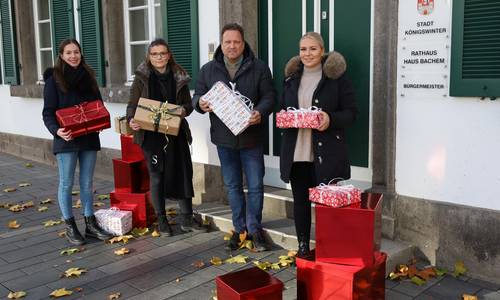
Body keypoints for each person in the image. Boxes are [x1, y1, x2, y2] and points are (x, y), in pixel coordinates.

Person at [193, 23, 275, 252]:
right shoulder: (208, 69)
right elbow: (197, 95)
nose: (232, 46)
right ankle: (239, 230)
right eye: (227, 42)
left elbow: (270, 96)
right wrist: (199, 103)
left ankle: (255, 230)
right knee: (232, 186)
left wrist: (261, 111)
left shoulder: (259, 68)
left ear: (243, 43)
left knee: (256, 186)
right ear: (221, 43)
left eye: (236, 42)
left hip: (252, 138)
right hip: (224, 140)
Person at [279, 32, 358, 258]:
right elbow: (286, 108)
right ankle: (303, 247)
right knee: (301, 203)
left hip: (327, 154)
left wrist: (330, 119)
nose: (307, 54)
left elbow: (352, 113)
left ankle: (329, 249)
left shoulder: (336, 78)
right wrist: (285, 117)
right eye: (303, 49)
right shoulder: (291, 78)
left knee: (327, 207)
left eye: (313, 49)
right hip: (297, 153)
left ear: (322, 51)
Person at [127, 38, 205, 236]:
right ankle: (162, 220)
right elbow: (132, 105)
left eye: (162, 53)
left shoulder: (179, 76)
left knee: (183, 172)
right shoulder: (141, 77)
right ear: (149, 56)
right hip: (150, 135)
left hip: (175, 132)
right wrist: (131, 120)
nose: (159, 57)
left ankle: (187, 217)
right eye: (155, 54)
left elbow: (188, 105)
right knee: (156, 176)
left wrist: (183, 110)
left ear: (169, 55)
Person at [42, 39, 113, 245]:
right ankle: (70, 225)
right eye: (69, 53)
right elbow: (47, 113)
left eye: (76, 52)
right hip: (67, 139)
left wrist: (100, 121)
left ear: (81, 54)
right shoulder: (53, 80)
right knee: (66, 183)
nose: (73, 56)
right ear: (61, 55)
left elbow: (97, 105)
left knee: (87, 182)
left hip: (89, 136)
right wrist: (57, 131)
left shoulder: (89, 76)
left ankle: (90, 224)